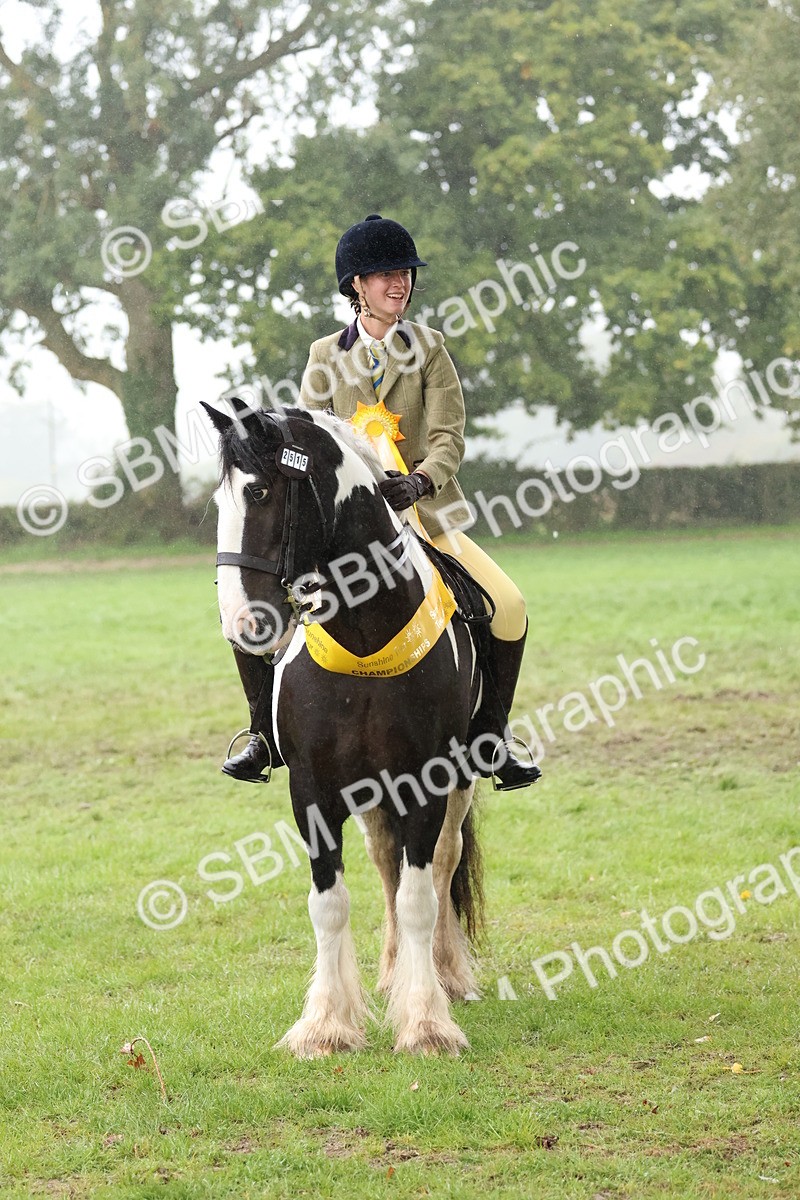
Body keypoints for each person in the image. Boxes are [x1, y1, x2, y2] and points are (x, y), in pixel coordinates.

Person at [222, 214, 541, 790]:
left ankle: (492, 737)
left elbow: (449, 437)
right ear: (356, 286)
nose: (400, 283)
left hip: (428, 516)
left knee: (510, 605)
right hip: (344, 529)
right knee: (255, 606)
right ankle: (262, 735)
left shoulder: (431, 349)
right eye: (385, 274)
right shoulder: (325, 354)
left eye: (405, 273)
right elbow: (310, 439)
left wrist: (420, 482)